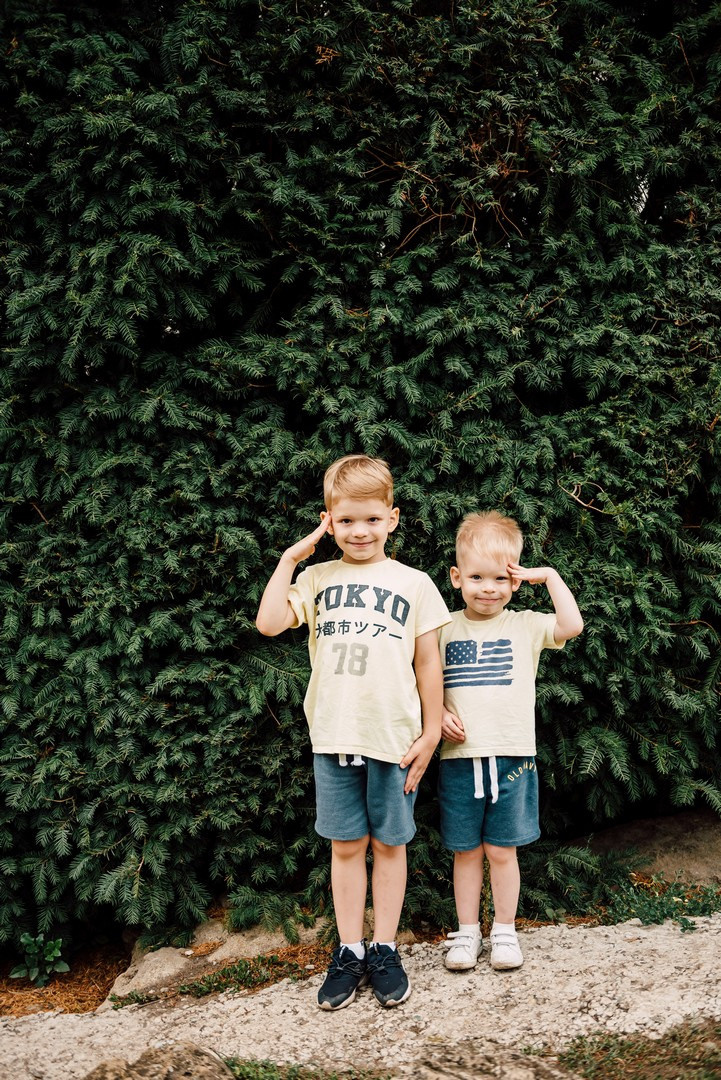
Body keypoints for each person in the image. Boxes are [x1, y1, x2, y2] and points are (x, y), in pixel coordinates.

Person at [256, 454, 450, 1010]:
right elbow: (268, 623)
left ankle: (384, 949)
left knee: (390, 845)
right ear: (328, 521)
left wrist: (432, 731)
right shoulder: (316, 578)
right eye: (345, 521)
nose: (359, 531)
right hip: (335, 736)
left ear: (392, 518)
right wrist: (291, 557)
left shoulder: (414, 583)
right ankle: (349, 951)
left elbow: (428, 662)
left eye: (371, 519)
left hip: (395, 739)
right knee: (345, 847)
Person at [438, 511, 583, 973]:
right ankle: (467, 933)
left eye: (501, 578)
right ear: (457, 577)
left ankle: (504, 930)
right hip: (459, 759)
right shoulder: (441, 628)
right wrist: (435, 714)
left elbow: (572, 625)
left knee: (503, 850)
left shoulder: (525, 625)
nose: (489, 588)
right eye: (477, 577)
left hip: (513, 757)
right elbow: (418, 681)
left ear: (515, 580)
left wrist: (550, 576)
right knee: (465, 851)